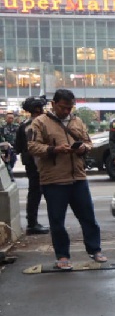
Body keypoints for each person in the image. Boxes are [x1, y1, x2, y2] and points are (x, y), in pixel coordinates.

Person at [26, 89, 106, 270]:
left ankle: (95, 249)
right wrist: (54, 150)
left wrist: (83, 148)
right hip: (54, 179)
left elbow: (88, 142)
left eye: (70, 108)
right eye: (63, 107)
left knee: (88, 217)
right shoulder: (40, 122)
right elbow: (32, 146)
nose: (66, 111)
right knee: (57, 221)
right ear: (53, 104)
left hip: (78, 177)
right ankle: (62, 256)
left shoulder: (77, 121)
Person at [14, 97, 49, 234]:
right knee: (41, 192)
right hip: (40, 163)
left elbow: (18, 147)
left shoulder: (23, 125)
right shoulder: (40, 124)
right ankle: (33, 224)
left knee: (34, 193)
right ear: (38, 109)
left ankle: (32, 222)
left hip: (31, 164)